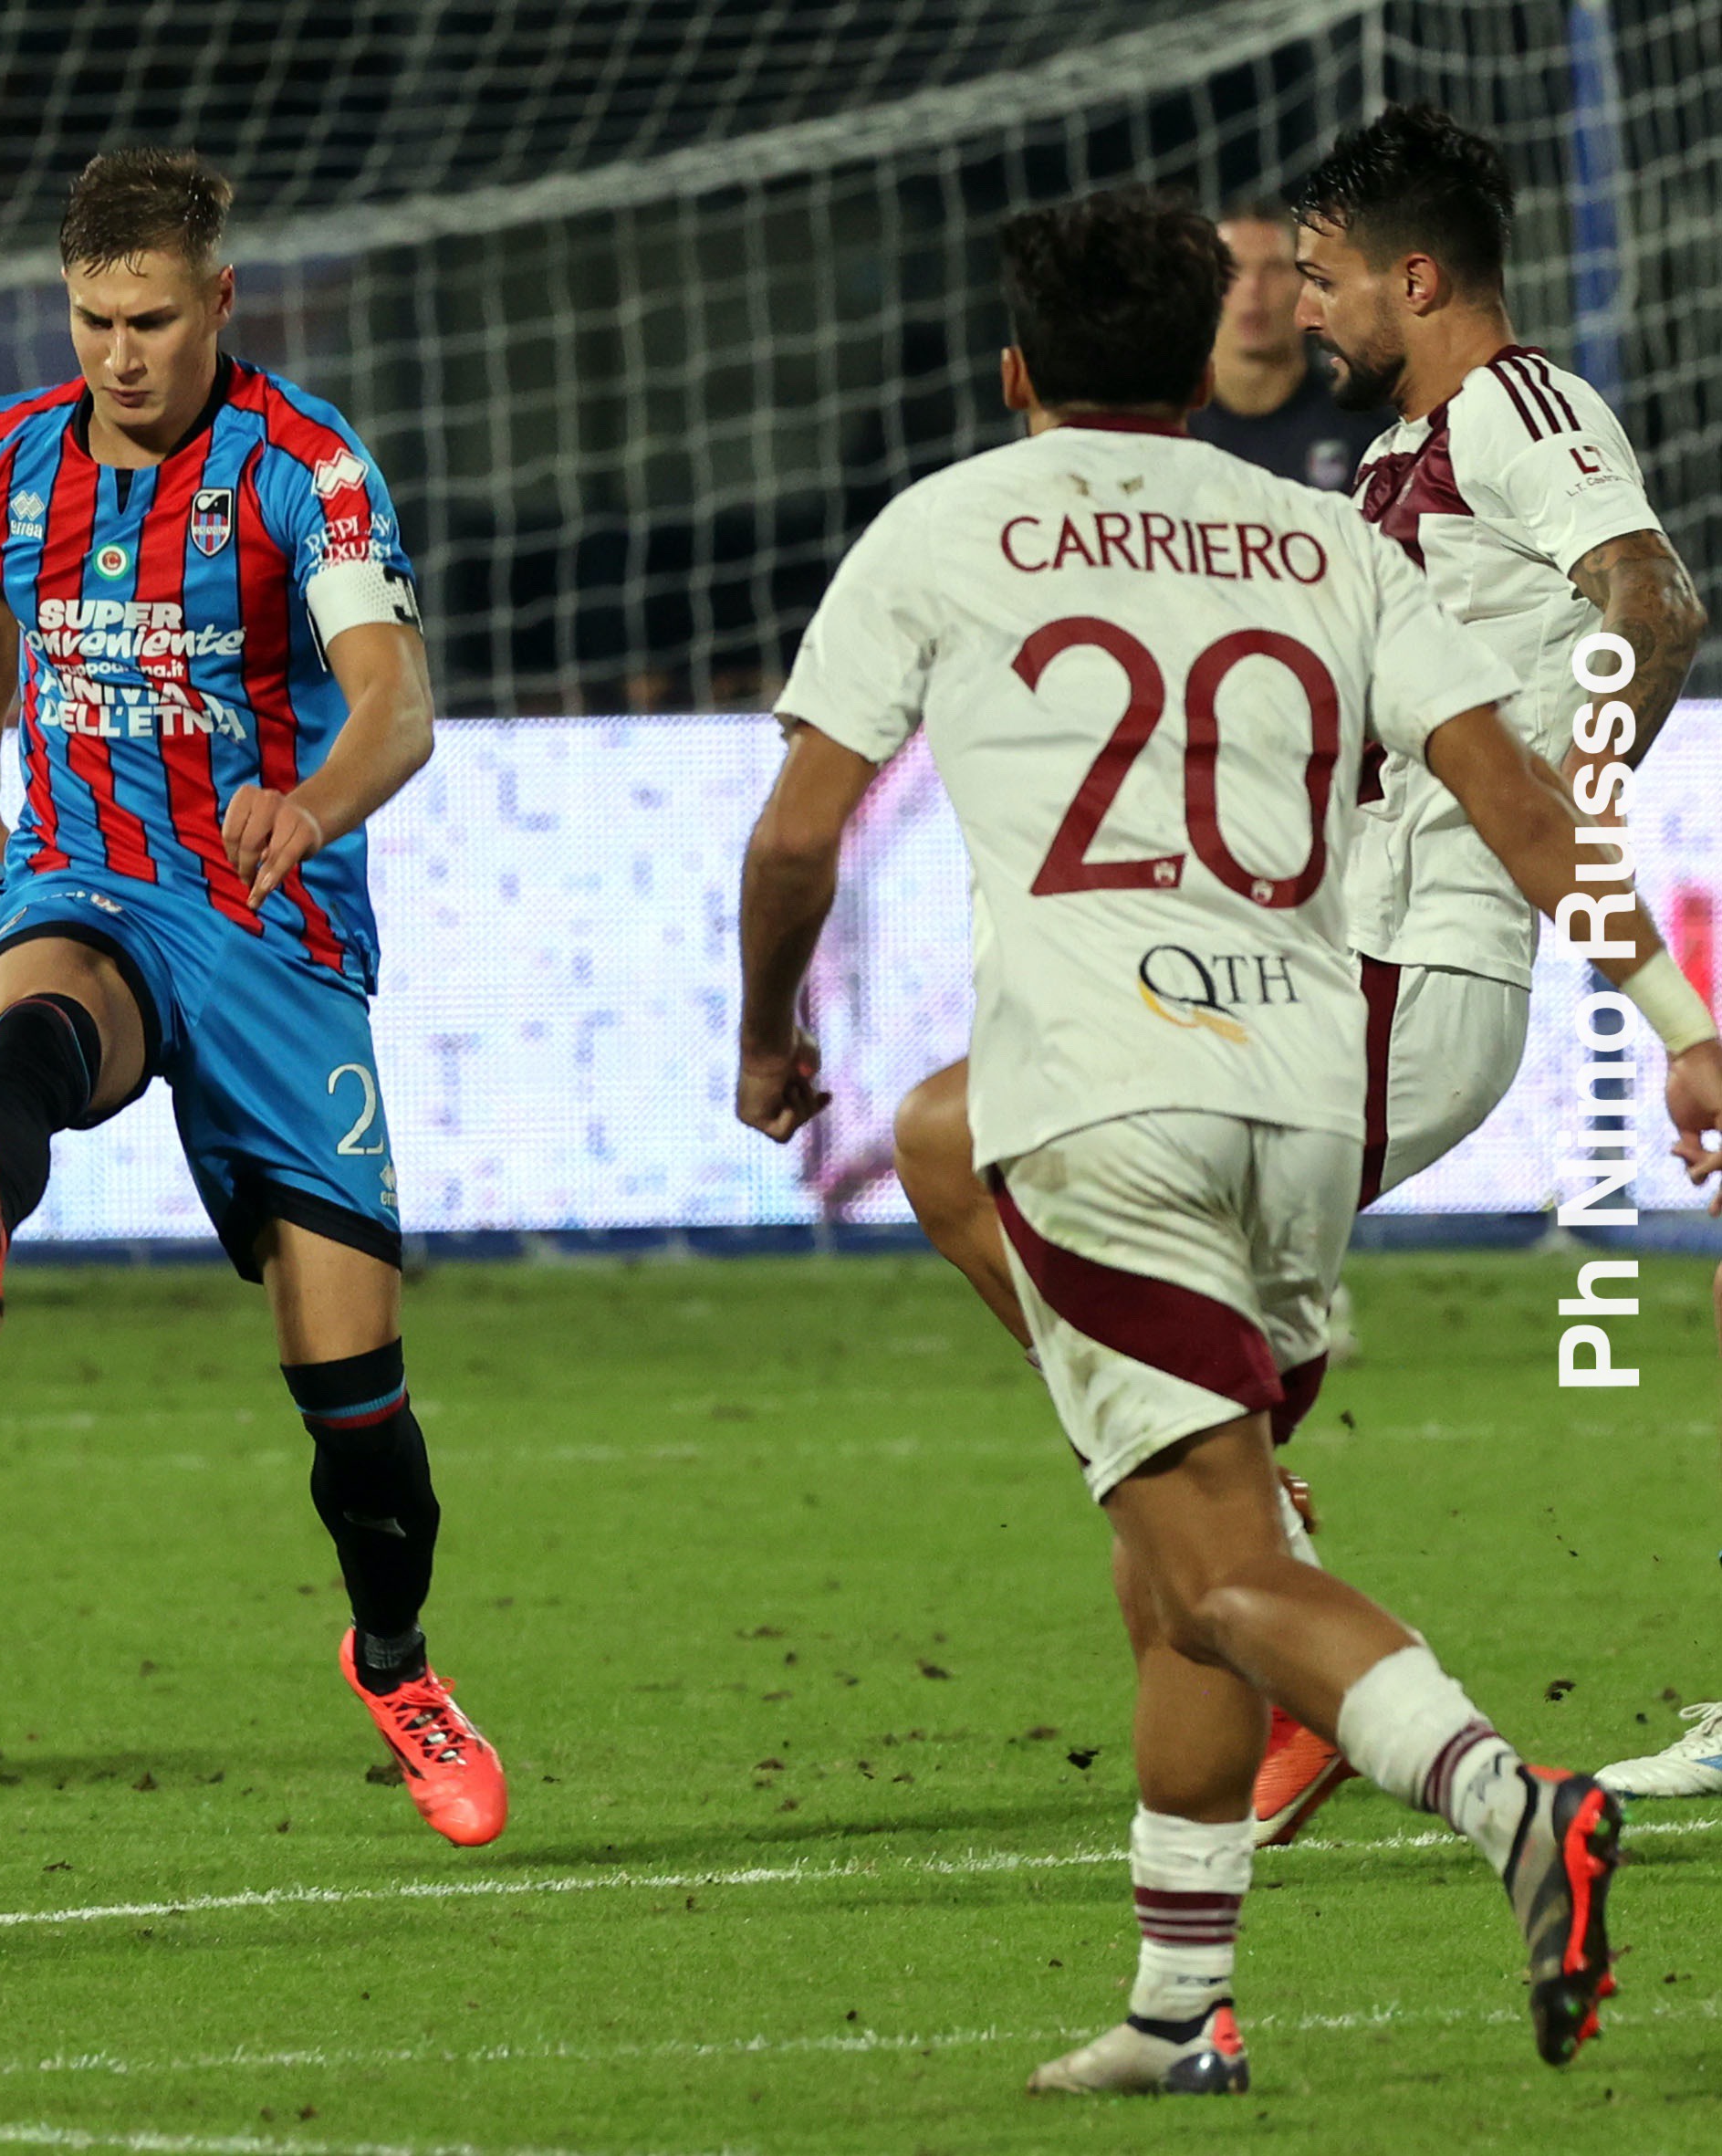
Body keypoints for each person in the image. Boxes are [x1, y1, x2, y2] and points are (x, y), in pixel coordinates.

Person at [737, 189, 1722, 2093]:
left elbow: (794, 836)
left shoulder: (944, 523)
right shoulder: (1323, 538)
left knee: (1206, 1557)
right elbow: (1525, 803)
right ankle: (1179, 2005)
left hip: (1113, 1089)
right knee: (1168, 1537)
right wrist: (1680, 1025)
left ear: (1013, 370)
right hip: (1295, 1081)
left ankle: (1514, 1805)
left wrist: (769, 1031)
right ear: (1204, 366)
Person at [889, 107, 1706, 1839]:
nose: (1299, 310)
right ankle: (1277, 1608)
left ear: (1414, 278)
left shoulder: (1518, 408)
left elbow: (1648, 597)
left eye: (1321, 277)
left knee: (1026, 1196)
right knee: (961, 1146)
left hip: (1415, 969)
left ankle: (1285, 1653)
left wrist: (1576, 791)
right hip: (1327, 955)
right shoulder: (1396, 461)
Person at [0, 149, 504, 1847]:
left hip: (274, 937)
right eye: (92, 319)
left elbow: (394, 699)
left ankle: (392, 1661)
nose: (119, 354)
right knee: (42, 1018)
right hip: (86, 878)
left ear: (218, 301)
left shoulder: (305, 472)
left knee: (358, 1413)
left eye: (152, 320)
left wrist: (308, 805)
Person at [1186, 198, 1386, 493]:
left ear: (1309, 284)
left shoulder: (1366, 430)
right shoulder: (1166, 427)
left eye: (1274, 269)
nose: (1253, 287)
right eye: (1232, 268)